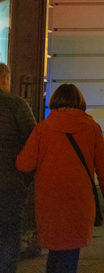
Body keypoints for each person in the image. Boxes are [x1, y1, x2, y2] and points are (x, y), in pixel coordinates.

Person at [16, 84, 104, 273]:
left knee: (57, 250)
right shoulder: (92, 128)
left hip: (49, 199)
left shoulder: (42, 129)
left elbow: (24, 164)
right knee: (70, 249)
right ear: (80, 102)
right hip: (79, 199)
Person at [0, 63, 36, 273]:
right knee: (9, 235)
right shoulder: (16, 104)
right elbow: (33, 143)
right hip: (9, 184)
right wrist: (26, 177)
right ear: (5, 79)